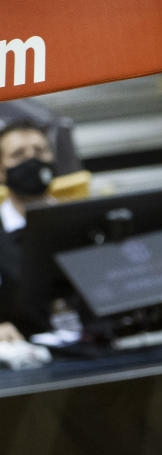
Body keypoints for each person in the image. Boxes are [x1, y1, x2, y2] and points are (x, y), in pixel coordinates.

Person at [0, 120, 57, 337]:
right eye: (18, 155)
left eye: (40, 151)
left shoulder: (87, 221)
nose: (32, 160)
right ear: (1, 171)